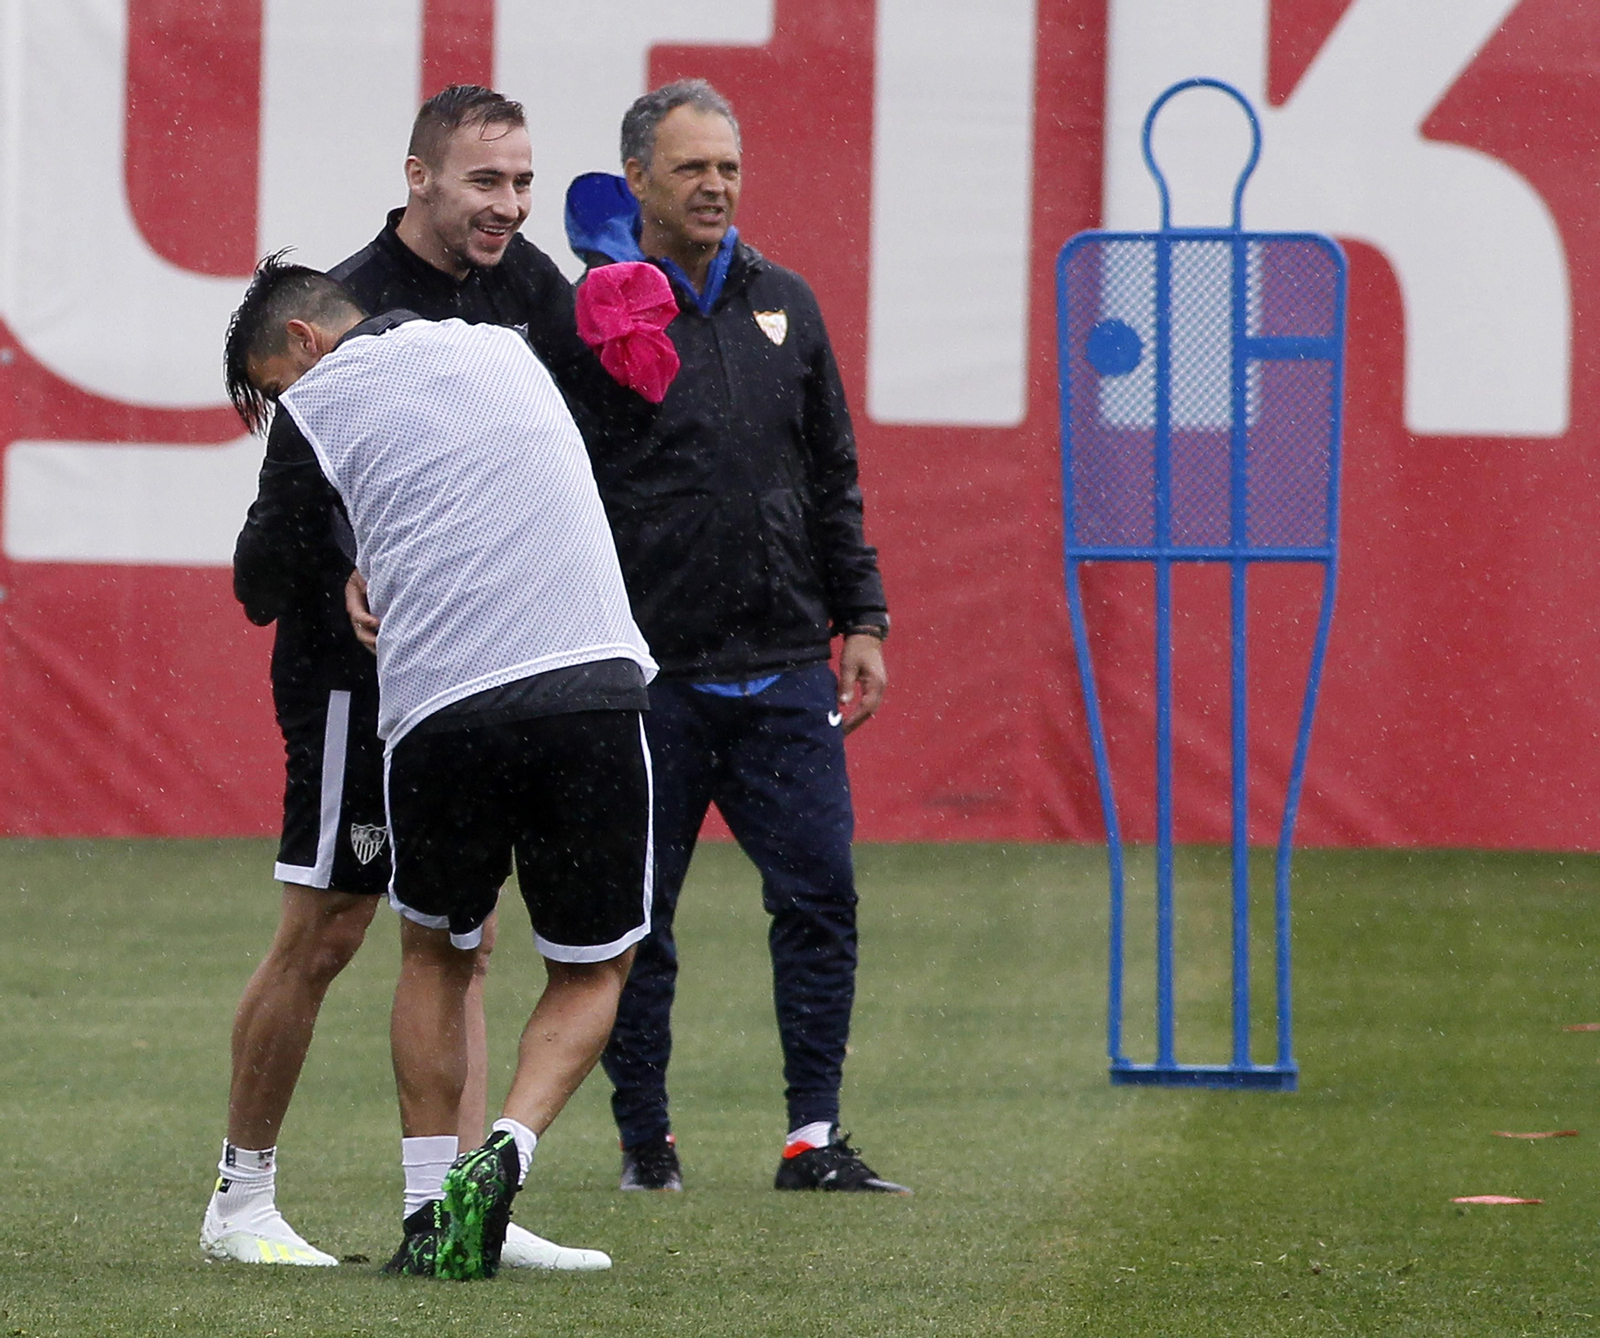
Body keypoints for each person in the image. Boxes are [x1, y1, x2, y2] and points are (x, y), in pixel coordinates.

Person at [202, 84, 615, 1270]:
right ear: (418, 179)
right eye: (487, 183)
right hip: (355, 685)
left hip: (472, 673)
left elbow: (570, 444)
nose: (510, 205)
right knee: (326, 930)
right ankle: (241, 1201)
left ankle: (453, 1207)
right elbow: (270, 549)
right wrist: (347, 568)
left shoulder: (527, 286)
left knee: (461, 935)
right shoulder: (339, 317)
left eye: (524, 182)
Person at [565, 79, 908, 1194]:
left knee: (819, 896)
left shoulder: (786, 304)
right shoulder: (597, 317)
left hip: (781, 668)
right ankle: (645, 1143)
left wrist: (860, 616)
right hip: (650, 675)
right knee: (636, 925)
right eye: (689, 168)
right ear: (638, 183)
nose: (713, 186)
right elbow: (557, 486)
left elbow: (832, 478)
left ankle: (812, 1137)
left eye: (727, 167)